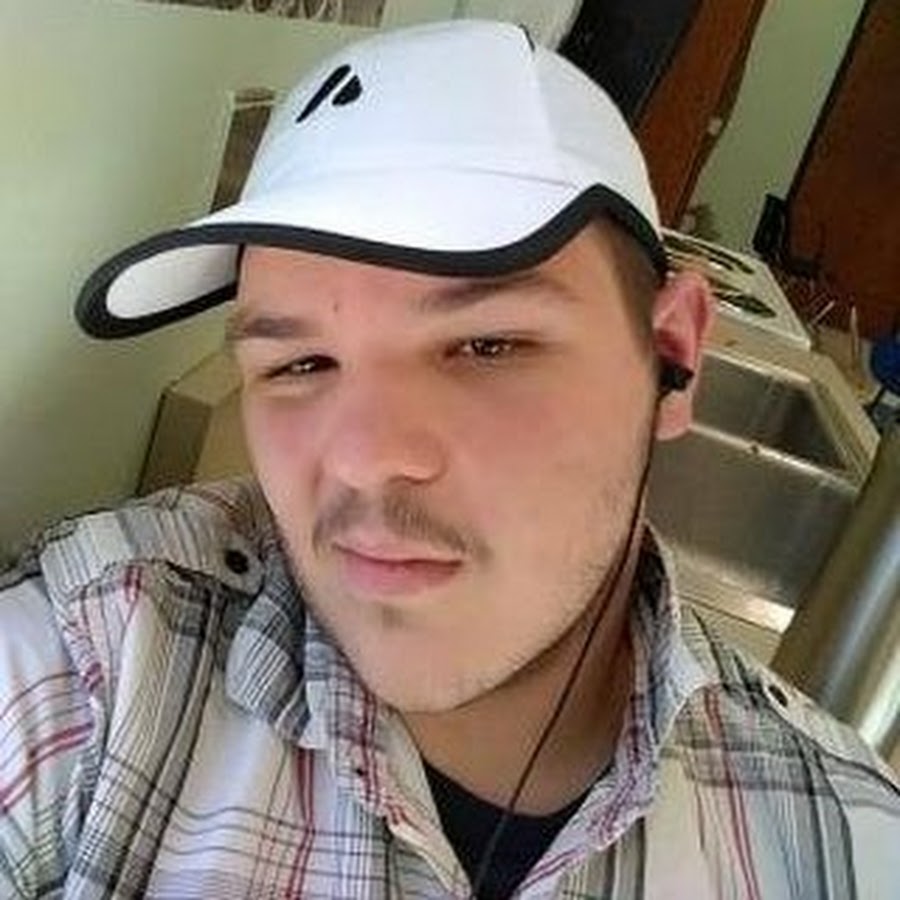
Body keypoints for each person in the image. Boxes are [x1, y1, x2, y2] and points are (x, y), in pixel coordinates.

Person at [1, 19, 897, 900]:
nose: (364, 460)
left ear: (674, 355)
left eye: (486, 346)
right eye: (299, 364)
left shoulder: (844, 842)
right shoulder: (98, 661)